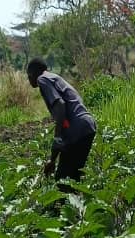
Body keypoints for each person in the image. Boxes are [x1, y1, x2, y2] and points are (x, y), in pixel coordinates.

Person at [26, 58, 97, 191]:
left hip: (77, 128)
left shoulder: (42, 79)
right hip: (87, 126)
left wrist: (57, 138)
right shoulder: (54, 77)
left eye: (28, 76)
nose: (28, 80)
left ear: (33, 73)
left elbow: (59, 105)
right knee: (73, 177)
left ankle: (62, 210)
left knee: (63, 179)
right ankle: (79, 208)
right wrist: (52, 160)